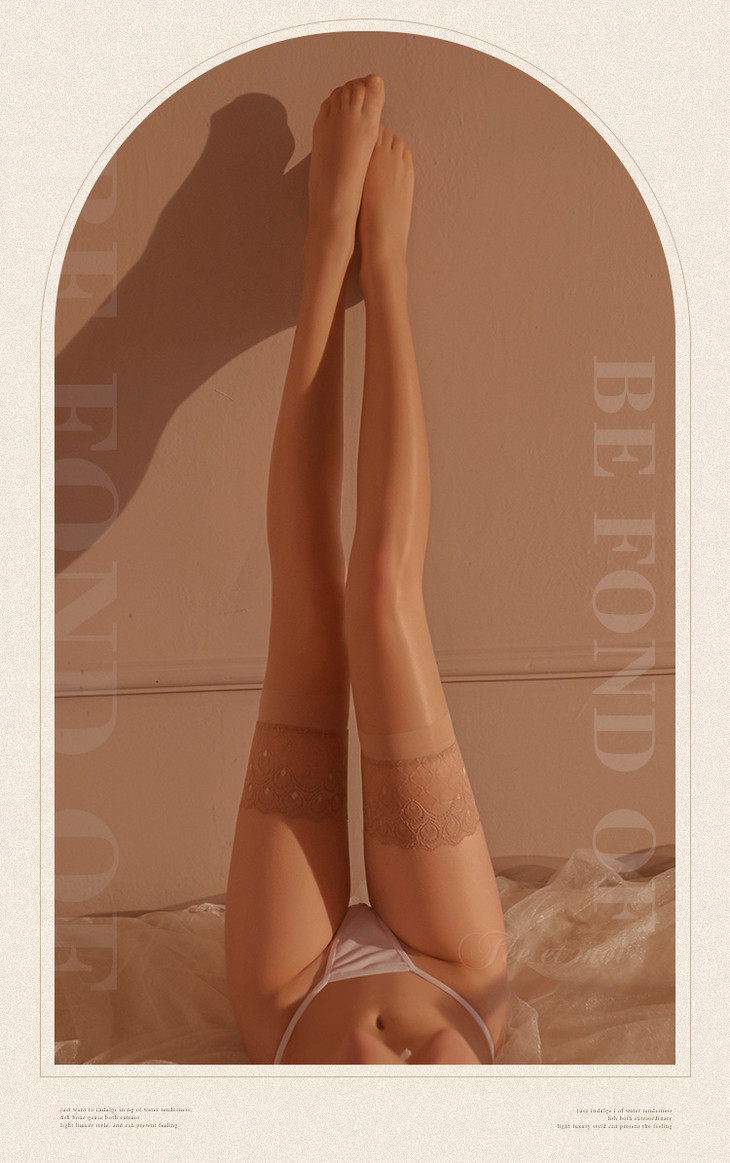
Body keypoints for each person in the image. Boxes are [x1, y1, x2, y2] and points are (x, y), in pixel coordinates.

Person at [224, 74, 508, 1065]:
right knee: (382, 595)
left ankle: (324, 256)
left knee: (308, 604)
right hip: (457, 974)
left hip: (290, 996)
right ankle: (381, 266)